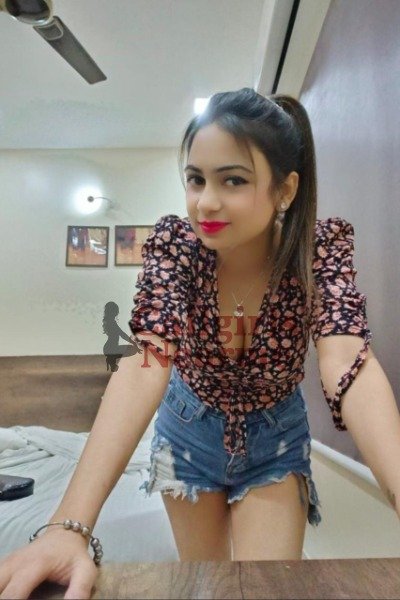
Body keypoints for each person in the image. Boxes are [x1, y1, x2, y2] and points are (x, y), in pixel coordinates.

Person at [1, 88, 399, 599]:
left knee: (267, 588)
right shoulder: (178, 247)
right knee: (206, 583)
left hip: (276, 437)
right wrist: (67, 527)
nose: (206, 201)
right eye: (195, 179)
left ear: (285, 189)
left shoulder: (317, 250)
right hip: (187, 433)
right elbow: (146, 361)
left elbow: (347, 359)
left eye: (233, 180)